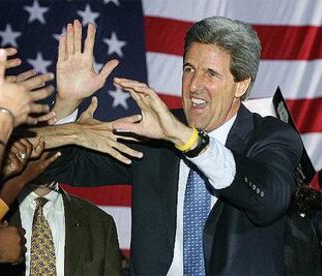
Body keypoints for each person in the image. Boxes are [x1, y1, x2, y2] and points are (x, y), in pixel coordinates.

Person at [42, 16, 303, 275]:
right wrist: (67, 103)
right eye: (189, 69)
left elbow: (270, 201)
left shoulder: (271, 136)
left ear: (241, 84)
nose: (194, 85)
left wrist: (191, 142)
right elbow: (64, 167)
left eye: (211, 73)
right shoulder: (158, 132)